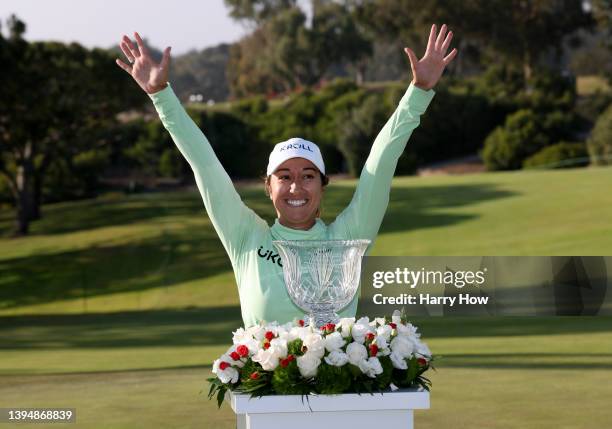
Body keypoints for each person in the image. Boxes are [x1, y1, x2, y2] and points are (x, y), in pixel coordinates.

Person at [116, 24, 458, 327]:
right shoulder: (247, 237)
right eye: (284, 176)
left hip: (344, 394)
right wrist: (162, 97)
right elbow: (205, 164)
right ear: (268, 186)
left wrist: (418, 93)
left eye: (309, 176)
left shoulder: (350, 236)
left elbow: (380, 164)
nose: (297, 186)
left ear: (323, 187)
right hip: (265, 397)